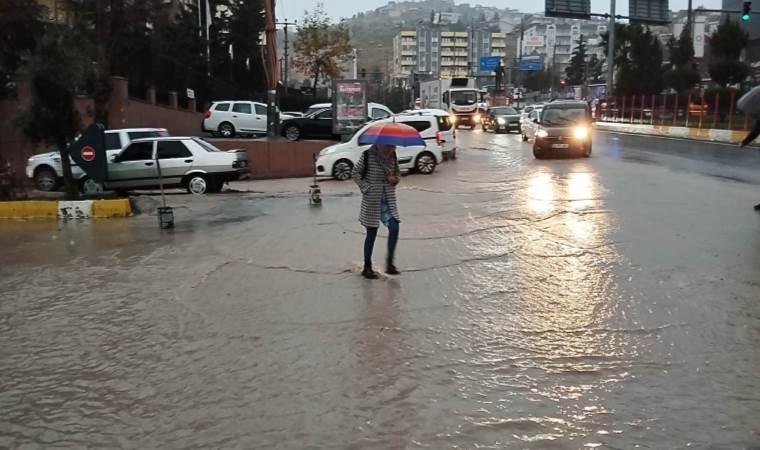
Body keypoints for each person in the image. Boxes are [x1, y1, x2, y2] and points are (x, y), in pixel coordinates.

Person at [352, 144, 401, 279]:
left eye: (394, 146)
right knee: (371, 232)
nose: (392, 148)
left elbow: (397, 174)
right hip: (372, 199)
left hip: (387, 200)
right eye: (390, 146)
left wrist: (394, 179)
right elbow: (355, 173)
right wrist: (366, 188)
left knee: (395, 227)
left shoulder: (393, 156)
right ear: (381, 143)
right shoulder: (368, 155)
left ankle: (389, 263)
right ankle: (367, 267)